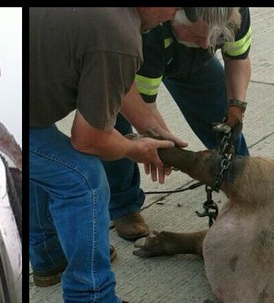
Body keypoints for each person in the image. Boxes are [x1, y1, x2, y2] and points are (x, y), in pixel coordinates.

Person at [29, 7, 181, 303]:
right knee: (82, 178)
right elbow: (89, 139)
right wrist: (135, 149)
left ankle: (50, 260)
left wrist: (150, 129)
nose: (172, 15)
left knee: (53, 163)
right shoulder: (120, 33)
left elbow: (114, 78)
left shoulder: (111, 21)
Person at [106, 7, 253, 240]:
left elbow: (238, 58)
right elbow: (145, 109)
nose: (206, 45)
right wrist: (165, 147)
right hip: (136, 59)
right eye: (197, 36)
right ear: (174, 15)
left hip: (191, 61)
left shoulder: (233, 13)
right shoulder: (150, 31)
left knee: (220, 112)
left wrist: (236, 106)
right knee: (113, 119)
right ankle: (123, 205)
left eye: (214, 38)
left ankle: (244, 182)